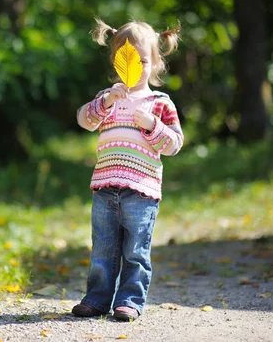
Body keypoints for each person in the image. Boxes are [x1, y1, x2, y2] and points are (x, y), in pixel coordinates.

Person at [72, 17, 184, 321]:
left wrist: (152, 125)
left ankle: (130, 300)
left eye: (143, 60)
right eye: (128, 60)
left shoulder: (160, 102)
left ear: (156, 63)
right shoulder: (108, 98)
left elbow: (174, 143)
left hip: (142, 192)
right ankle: (96, 299)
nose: (136, 68)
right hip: (105, 187)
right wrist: (107, 100)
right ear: (117, 62)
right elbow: (84, 119)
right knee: (103, 251)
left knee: (135, 251)